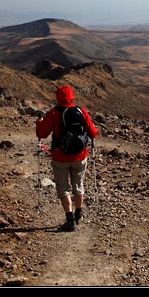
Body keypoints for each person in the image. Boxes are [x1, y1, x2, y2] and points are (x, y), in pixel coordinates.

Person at [36, 85, 98, 232]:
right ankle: (78, 213)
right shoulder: (80, 111)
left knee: (63, 188)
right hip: (80, 156)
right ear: (71, 97)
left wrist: (39, 122)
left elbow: (42, 133)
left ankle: (69, 219)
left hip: (60, 157)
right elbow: (93, 133)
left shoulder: (54, 113)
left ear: (58, 97)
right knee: (78, 184)